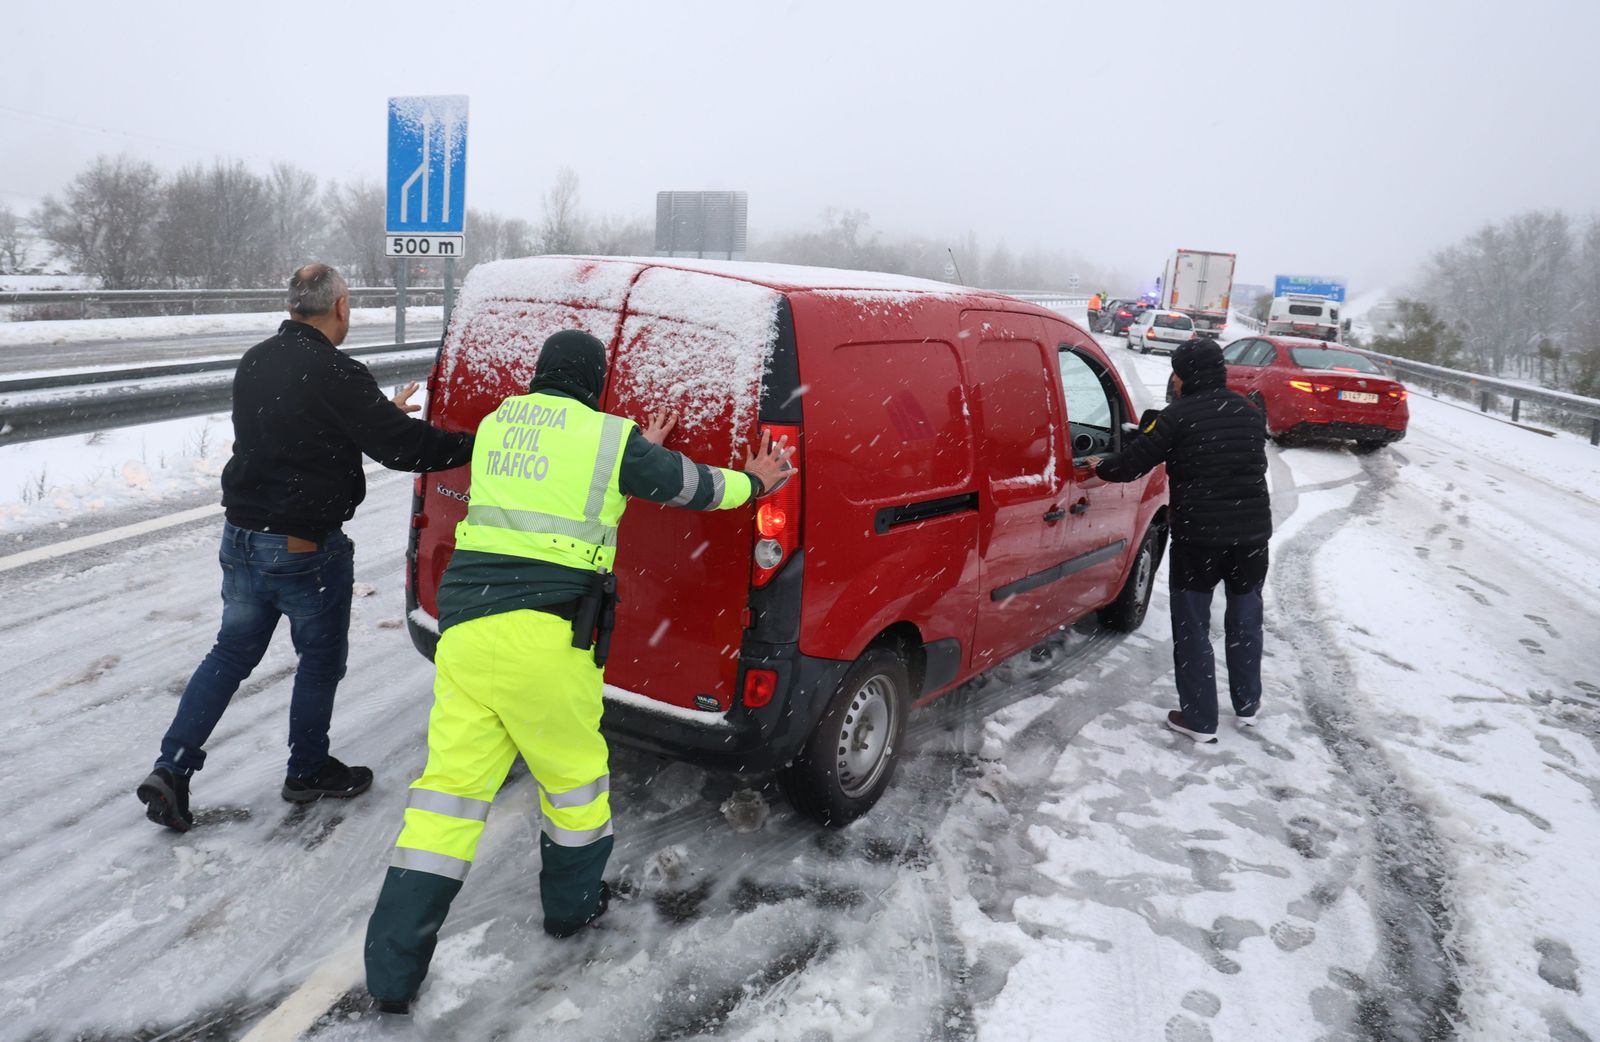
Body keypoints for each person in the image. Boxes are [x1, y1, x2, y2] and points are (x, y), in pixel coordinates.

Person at [363, 329, 795, 1015]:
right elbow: (694, 487)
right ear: (594, 382)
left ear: (541, 376)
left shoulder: (503, 422)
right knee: (574, 784)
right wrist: (756, 482)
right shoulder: (608, 440)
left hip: (468, 632)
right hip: (546, 633)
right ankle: (571, 910)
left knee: (445, 799)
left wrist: (634, 443)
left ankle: (390, 975)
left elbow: (561, 463)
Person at [135, 264, 475, 831]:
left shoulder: (256, 359)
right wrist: (486, 440)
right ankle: (308, 769)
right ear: (340, 306)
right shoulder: (338, 371)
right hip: (302, 547)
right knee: (319, 660)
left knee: (229, 654)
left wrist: (378, 415)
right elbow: (402, 451)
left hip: (241, 536)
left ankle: (171, 767)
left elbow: (295, 430)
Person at [1086, 338, 1271, 743]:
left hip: (1200, 539)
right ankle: (1248, 704)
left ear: (1183, 375)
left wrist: (1101, 466)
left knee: (1193, 625)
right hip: (1252, 537)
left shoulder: (1179, 416)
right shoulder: (1249, 411)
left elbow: (1131, 467)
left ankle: (1201, 719)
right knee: (1245, 619)